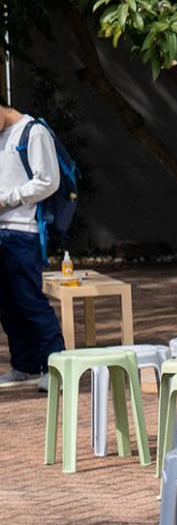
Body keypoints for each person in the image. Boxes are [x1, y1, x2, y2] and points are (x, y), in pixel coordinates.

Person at [0, 104, 67, 388]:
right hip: (2, 230)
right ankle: (24, 365)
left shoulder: (33, 132)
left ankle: (56, 368)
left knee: (30, 301)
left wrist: (7, 198)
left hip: (22, 232)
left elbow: (49, 181)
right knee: (7, 305)